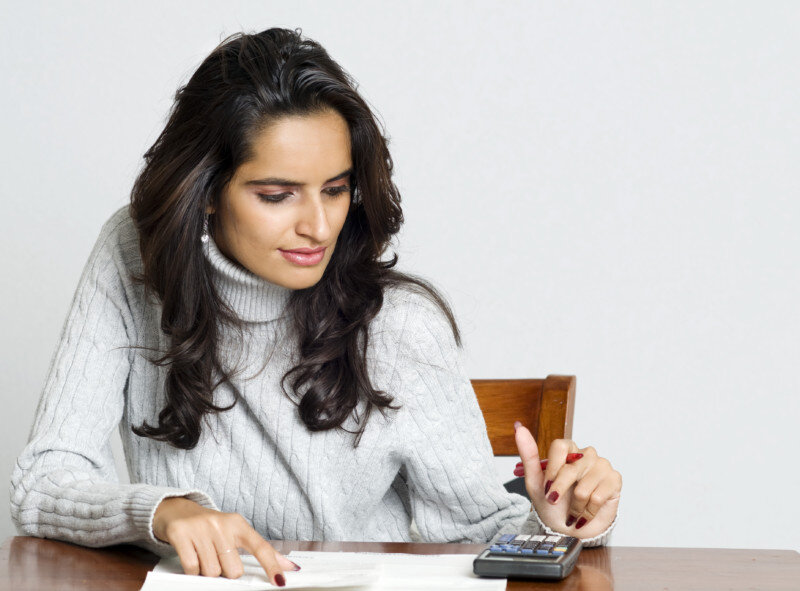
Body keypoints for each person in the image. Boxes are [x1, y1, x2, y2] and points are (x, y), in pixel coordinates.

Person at [9, 28, 622, 587]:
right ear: (203, 193)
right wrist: (166, 511)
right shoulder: (133, 254)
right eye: (277, 195)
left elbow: (475, 533)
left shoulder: (401, 326)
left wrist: (557, 522)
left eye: (336, 189)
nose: (319, 225)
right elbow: (42, 481)